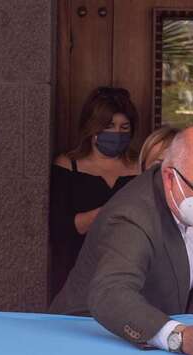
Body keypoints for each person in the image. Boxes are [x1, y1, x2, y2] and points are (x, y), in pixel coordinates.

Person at [49, 125, 193, 355]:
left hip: (146, 344)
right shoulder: (132, 215)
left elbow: (181, 264)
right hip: (89, 341)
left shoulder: (189, 195)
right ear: (171, 177)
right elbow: (110, 294)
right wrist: (180, 337)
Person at [49, 87, 140, 299]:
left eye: (124, 127)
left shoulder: (141, 167)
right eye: (109, 126)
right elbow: (61, 228)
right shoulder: (67, 165)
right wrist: (110, 212)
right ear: (92, 128)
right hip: (77, 269)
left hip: (129, 270)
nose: (117, 133)